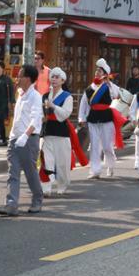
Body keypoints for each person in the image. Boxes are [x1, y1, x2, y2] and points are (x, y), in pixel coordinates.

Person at [0, 64, 44, 216]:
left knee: (30, 173)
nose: (17, 78)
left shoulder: (35, 96)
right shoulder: (20, 93)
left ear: (28, 79)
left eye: (20, 75)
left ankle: (37, 199)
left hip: (28, 140)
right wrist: (14, 137)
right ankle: (11, 204)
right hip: (15, 139)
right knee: (13, 172)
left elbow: (36, 119)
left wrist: (26, 135)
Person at [78, 58, 121, 179]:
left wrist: (109, 83)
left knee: (107, 146)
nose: (97, 72)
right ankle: (95, 170)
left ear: (105, 74)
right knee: (95, 145)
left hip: (107, 119)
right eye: (96, 70)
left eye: (100, 71)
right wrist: (82, 118)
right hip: (93, 119)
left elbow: (117, 96)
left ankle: (110, 165)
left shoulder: (110, 87)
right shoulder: (89, 88)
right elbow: (84, 104)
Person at [41, 67, 77, 197]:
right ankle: (47, 186)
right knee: (47, 160)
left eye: (57, 77)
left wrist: (54, 106)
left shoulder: (67, 97)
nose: (54, 79)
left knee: (62, 163)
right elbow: (42, 113)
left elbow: (65, 114)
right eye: (53, 77)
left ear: (62, 80)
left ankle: (62, 185)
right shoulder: (45, 96)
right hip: (48, 132)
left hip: (61, 132)